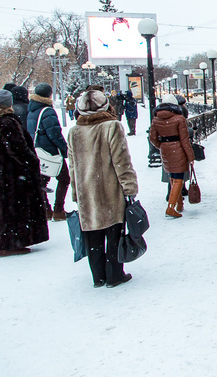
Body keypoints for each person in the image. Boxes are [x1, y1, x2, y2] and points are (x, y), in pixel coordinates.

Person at [68, 89, 138, 288]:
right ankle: (115, 274)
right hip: (109, 189)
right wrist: (129, 187)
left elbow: (72, 164)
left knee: (92, 234)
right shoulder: (112, 126)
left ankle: (98, 276)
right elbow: (121, 161)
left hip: (86, 192)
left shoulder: (74, 131)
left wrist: (75, 190)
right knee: (113, 232)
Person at [0, 89, 49, 256]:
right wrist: (32, 162)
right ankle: (11, 242)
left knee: (5, 208)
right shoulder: (7, 122)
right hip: (11, 174)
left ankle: (7, 241)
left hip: (4, 173)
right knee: (13, 208)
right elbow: (17, 148)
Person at [27, 83, 70, 221]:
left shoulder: (32, 110)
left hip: (38, 151)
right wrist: (65, 150)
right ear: (49, 94)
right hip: (51, 152)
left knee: (42, 182)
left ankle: (46, 210)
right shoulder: (47, 111)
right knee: (64, 179)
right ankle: (58, 210)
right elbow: (55, 134)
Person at [149, 94, 195, 218]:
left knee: (173, 176)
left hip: (165, 149)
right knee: (179, 177)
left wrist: (162, 145)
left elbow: (152, 138)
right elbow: (185, 140)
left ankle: (179, 205)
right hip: (178, 148)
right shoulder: (179, 118)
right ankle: (171, 208)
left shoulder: (156, 119)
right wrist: (191, 157)